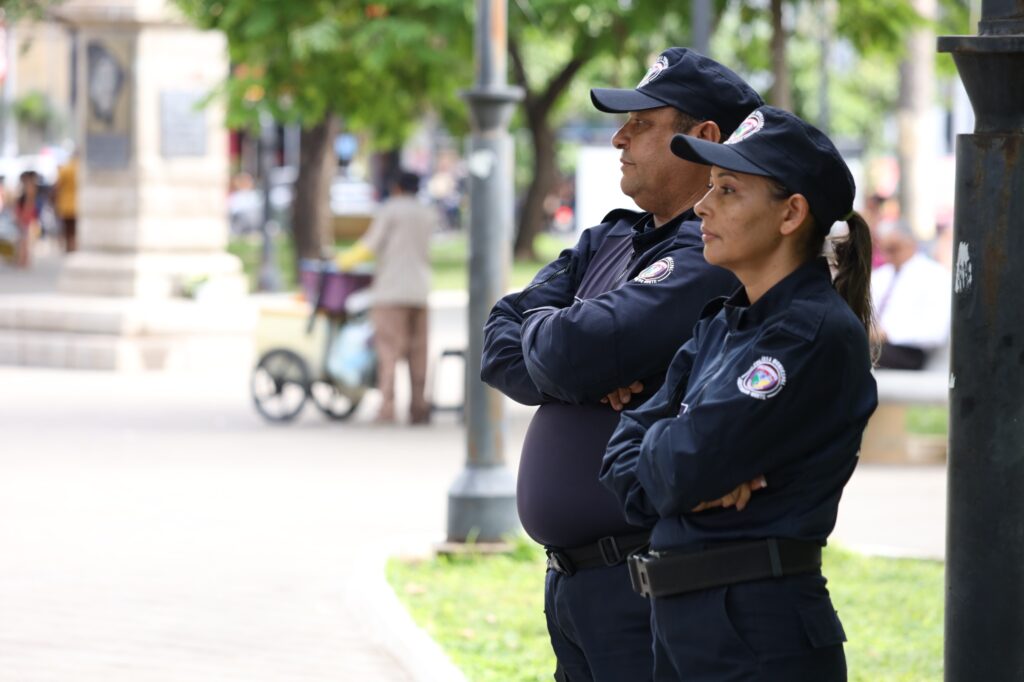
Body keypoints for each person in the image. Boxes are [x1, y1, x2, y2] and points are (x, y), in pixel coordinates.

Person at [481, 47, 762, 681]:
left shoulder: (708, 254)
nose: (618, 138)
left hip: (642, 582)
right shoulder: (608, 238)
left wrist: (569, 347)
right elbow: (499, 343)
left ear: (703, 138)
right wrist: (580, 370)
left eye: (641, 124)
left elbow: (575, 349)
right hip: (574, 583)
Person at [599, 106, 878, 681]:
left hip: (755, 629)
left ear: (791, 213)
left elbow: (684, 467)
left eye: (727, 190)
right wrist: (684, 466)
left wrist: (680, 464)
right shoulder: (722, 324)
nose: (703, 206)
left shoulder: (810, 333)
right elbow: (620, 461)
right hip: (687, 622)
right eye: (709, 188)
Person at [336, 170, 440, 424]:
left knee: (389, 353)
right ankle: (418, 409)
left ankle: (387, 408)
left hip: (390, 293)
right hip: (419, 292)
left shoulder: (389, 210)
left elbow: (369, 245)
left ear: (396, 188)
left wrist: (343, 261)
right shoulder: (428, 213)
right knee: (418, 353)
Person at [871, 219, 951, 370]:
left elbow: (935, 332)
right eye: (883, 249)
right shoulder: (880, 276)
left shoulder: (936, 275)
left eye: (893, 249)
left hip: (911, 351)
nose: (887, 256)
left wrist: (887, 334)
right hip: (880, 346)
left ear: (911, 244)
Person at [14, 171, 43, 268]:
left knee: (24, 240)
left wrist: (24, 216)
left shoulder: (29, 188)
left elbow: (29, 205)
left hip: (27, 218)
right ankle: (23, 260)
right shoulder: (28, 188)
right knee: (24, 240)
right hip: (26, 217)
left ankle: (23, 260)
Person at [54, 152, 80, 253]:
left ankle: (69, 246)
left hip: (65, 203)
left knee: (67, 228)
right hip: (77, 203)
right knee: (74, 228)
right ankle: (73, 245)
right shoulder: (79, 168)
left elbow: (58, 185)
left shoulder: (65, 168)